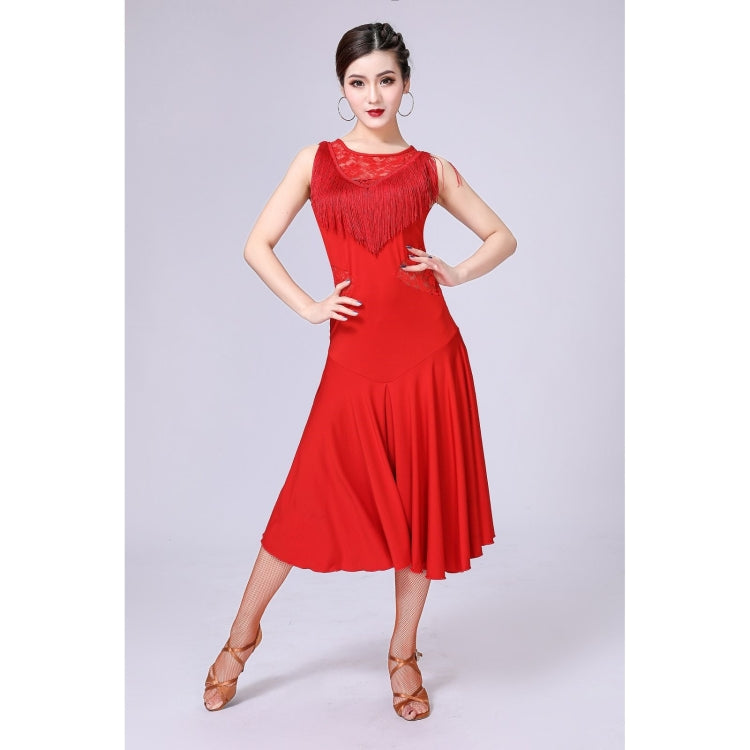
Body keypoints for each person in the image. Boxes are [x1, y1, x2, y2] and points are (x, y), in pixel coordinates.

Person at [203, 21, 517, 721]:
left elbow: (502, 236)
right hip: (353, 357)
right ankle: (241, 639)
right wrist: (310, 306)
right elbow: (258, 244)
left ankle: (403, 655)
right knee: (302, 501)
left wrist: (457, 271)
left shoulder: (430, 168)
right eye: (357, 82)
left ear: (405, 84)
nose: (373, 95)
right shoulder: (314, 161)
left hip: (429, 356)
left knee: (417, 511)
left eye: (386, 79)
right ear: (342, 88)